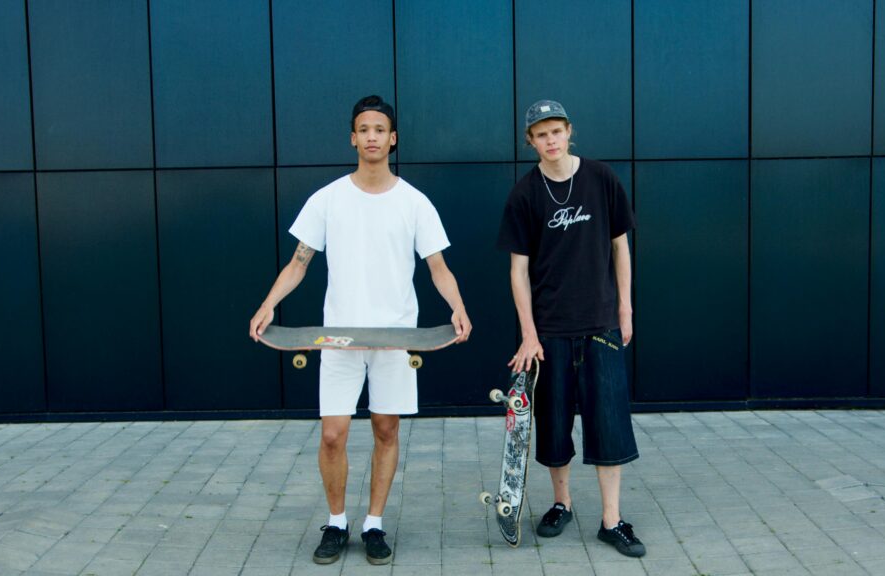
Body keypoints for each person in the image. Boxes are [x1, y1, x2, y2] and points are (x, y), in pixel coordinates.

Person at [249, 95, 472, 565]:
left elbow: (438, 267)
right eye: (364, 129)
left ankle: (373, 523)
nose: (372, 137)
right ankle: (336, 522)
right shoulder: (327, 198)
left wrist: (458, 307)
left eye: (380, 129)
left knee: (386, 429)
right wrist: (268, 304)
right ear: (353, 138)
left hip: (395, 338)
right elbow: (299, 262)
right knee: (333, 434)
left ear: (393, 138)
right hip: (339, 337)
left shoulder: (414, 202)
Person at [496, 100, 644, 557]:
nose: (551, 140)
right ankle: (561, 503)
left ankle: (612, 520)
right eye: (541, 134)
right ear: (531, 141)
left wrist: (625, 309)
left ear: (569, 131)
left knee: (609, 423)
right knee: (554, 424)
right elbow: (518, 271)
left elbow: (620, 247)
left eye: (557, 131)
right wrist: (529, 332)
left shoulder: (601, 179)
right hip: (551, 330)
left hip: (600, 323)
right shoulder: (525, 194)